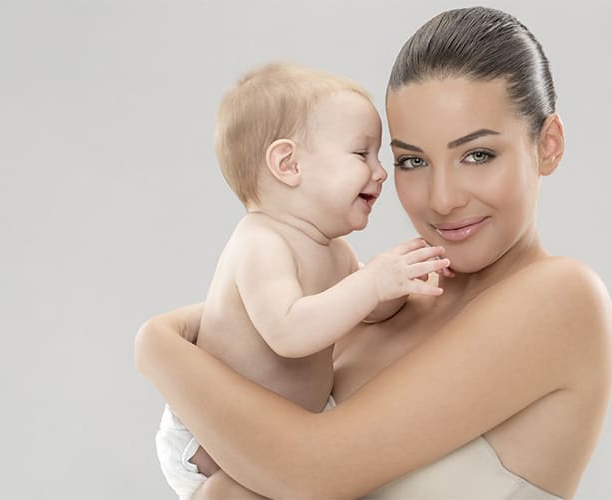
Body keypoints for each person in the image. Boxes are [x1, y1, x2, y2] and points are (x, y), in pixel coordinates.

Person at [137, 7, 612, 499]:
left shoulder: (562, 298)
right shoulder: (380, 293)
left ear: (548, 146)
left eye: (477, 155)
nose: (442, 198)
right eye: (413, 160)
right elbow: (250, 319)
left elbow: (309, 471)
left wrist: (156, 347)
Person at [154, 62, 454, 500]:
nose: (381, 171)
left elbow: (368, 310)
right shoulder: (261, 242)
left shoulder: (336, 252)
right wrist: (373, 281)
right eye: (361, 154)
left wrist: (403, 281)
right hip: (209, 435)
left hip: (275, 433)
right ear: (288, 164)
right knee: (234, 492)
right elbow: (290, 332)